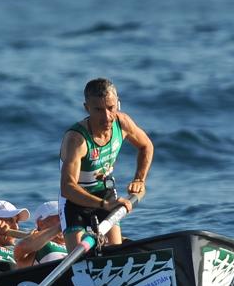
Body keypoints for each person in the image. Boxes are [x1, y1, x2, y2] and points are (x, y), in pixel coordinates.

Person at [59, 78, 153, 250]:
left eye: (111, 108)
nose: (107, 117)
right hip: (74, 201)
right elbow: (67, 188)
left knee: (115, 249)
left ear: (118, 103)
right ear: (87, 108)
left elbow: (146, 146)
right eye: (98, 110)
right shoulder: (76, 140)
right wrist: (105, 205)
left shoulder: (122, 123)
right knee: (78, 259)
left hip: (105, 193)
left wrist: (139, 179)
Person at [13, 200, 68, 267]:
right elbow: (20, 248)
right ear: (41, 223)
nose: (65, 220)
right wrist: (60, 227)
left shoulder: (73, 243)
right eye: (60, 216)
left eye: (66, 217)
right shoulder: (34, 247)